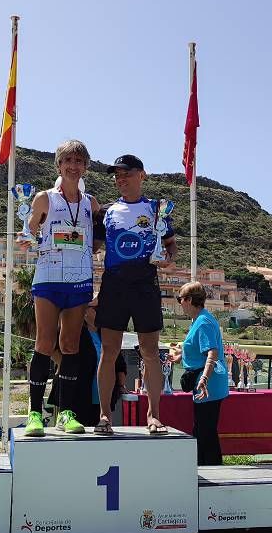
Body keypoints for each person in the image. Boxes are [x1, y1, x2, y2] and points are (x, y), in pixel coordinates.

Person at [20, 139, 104, 437]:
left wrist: (95, 245)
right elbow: (29, 228)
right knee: (44, 343)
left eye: (78, 161)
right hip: (48, 279)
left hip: (79, 281)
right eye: (68, 161)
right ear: (59, 166)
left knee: (70, 346)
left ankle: (66, 413)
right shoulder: (44, 198)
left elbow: (97, 238)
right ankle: (34, 414)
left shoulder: (91, 203)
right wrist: (27, 235)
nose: (73, 166)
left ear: (85, 167)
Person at [94, 154, 176, 435]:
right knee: (108, 351)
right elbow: (89, 245)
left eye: (126, 173)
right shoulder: (105, 211)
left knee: (151, 352)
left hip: (145, 285)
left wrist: (168, 258)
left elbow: (170, 245)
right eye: (117, 175)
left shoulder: (157, 209)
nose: (121, 179)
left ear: (142, 175)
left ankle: (154, 416)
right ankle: (104, 415)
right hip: (114, 285)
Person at [169, 281, 230, 465]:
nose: (179, 303)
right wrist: (180, 356)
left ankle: (211, 470)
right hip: (205, 384)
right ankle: (207, 468)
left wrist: (204, 378)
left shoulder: (203, 322)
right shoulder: (199, 320)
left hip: (208, 384)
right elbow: (199, 351)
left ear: (188, 300)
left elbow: (212, 352)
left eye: (180, 299)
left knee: (205, 431)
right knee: (203, 429)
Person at [47, 299, 128, 427]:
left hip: (100, 398)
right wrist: (63, 365)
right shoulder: (74, 328)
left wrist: (121, 385)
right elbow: (51, 347)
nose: (100, 312)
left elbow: (119, 363)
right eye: (95, 308)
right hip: (75, 394)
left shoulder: (106, 333)